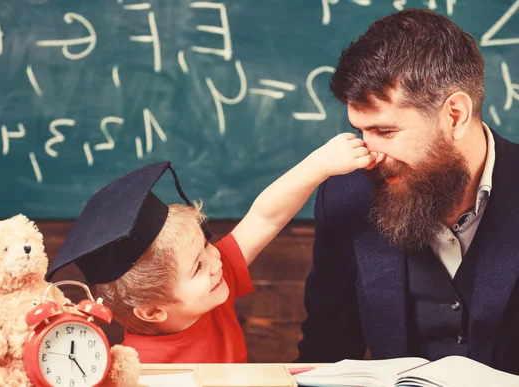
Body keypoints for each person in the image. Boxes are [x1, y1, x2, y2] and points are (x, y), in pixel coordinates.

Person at [296, 8, 519, 375]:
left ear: (455, 116)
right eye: (360, 131)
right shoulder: (343, 198)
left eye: (385, 132)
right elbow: (325, 355)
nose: (368, 154)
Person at [45, 133, 377, 363]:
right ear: (153, 310)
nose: (215, 259)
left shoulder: (211, 284)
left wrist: (319, 165)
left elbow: (265, 216)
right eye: (197, 267)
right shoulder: (140, 368)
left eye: (206, 244)